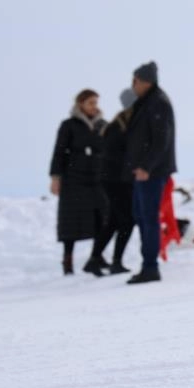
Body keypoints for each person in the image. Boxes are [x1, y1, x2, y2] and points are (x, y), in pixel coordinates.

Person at [124, 61, 177, 285]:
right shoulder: (147, 102)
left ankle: (150, 266)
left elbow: (161, 140)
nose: (132, 85)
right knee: (141, 215)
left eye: (134, 81)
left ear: (144, 81)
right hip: (143, 172)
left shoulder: (157, 103)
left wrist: (147, 166)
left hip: (152, 173)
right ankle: (148, 264)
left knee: (148, 218)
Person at [49, 89, 108, 275]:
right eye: (91, 102)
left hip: (98, 177)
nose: (94, 106)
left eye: (96, 102)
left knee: (102, 217)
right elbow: (59, 152)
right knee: (71, 221)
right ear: (81, 104)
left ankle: (96, 257)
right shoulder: (69, 125)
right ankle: (67, 260)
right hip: (73, 178)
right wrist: (55, 178)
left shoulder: (103, 126)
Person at [84, 88, 136, 276]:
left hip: (111, 178)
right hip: (117, 180)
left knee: (114, 220)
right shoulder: (125, 123)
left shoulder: (120, 122)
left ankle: (94, 259)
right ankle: (116, 262)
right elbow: (121, 154)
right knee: (128, 220)